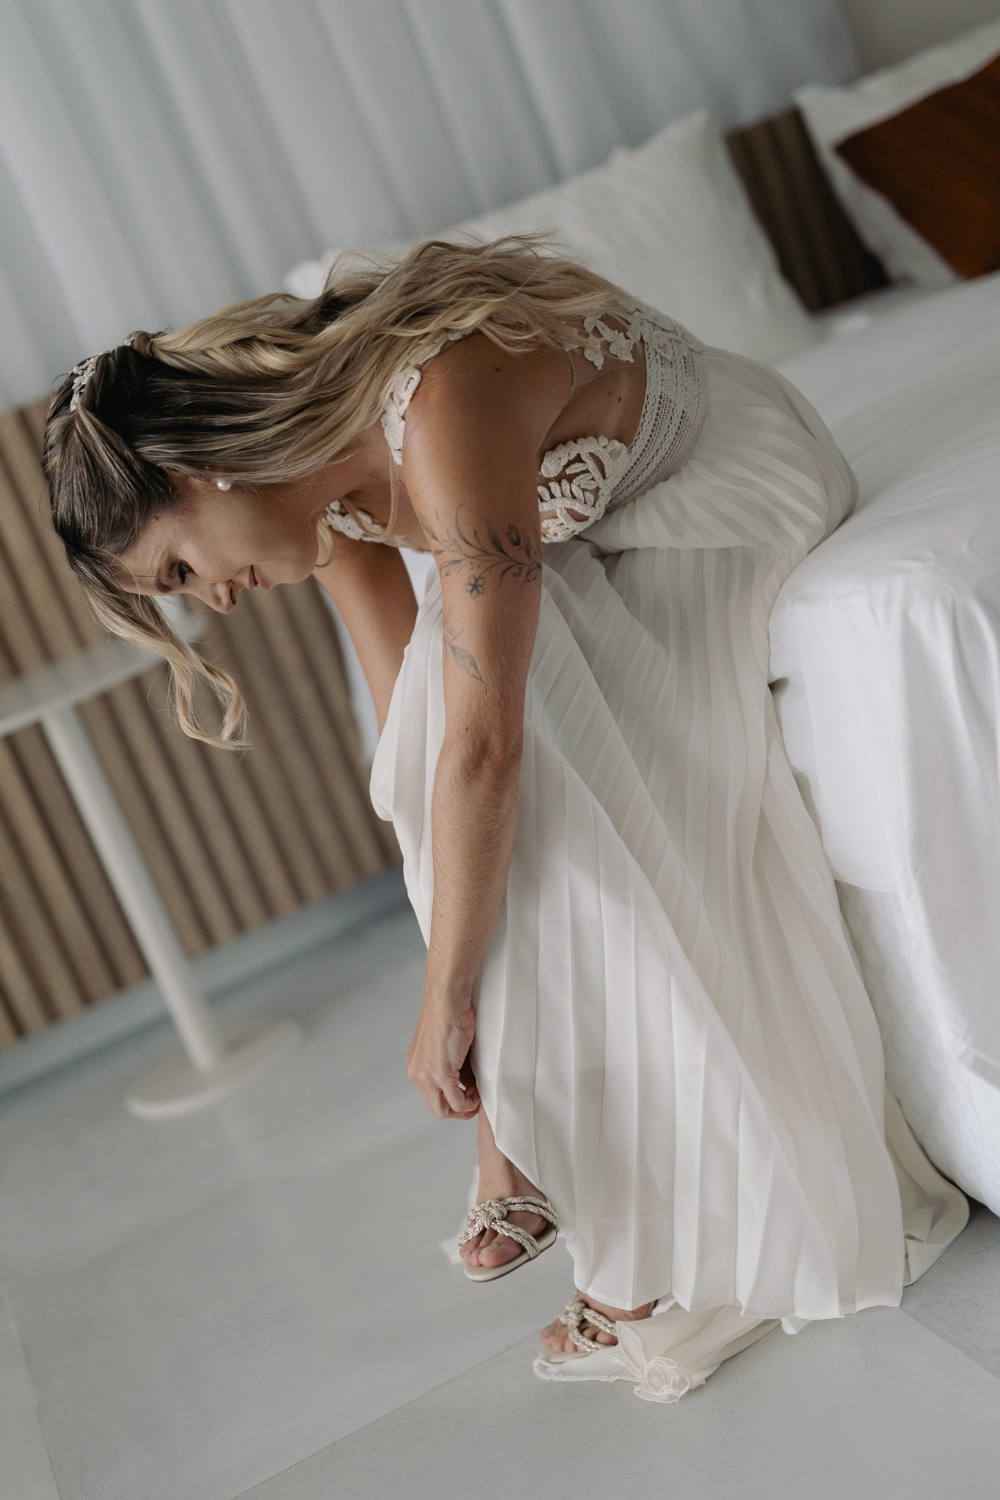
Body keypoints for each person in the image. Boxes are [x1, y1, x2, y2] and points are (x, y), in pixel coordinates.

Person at [43, 238, 966, 1402]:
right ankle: (550, 1147)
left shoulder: (435, 403)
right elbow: (416, 738)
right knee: (441, 735)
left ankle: (611, 1227)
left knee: (527, 741)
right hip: (589, 547)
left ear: (204, 475)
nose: (213, 605)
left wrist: (448, 997)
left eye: (178, 573)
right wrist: (449, 914)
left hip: (720, 488)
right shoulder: (312, 503)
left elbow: (484, 750)